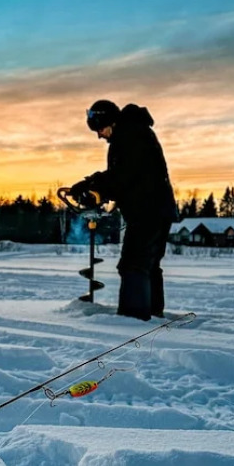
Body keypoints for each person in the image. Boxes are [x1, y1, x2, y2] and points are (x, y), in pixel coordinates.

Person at [69, 99, 177, 321]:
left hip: (148, 211)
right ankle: (152, 313)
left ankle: (133, 318)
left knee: (133, 264)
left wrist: (92, 184)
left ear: (109, 121)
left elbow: (123, 175)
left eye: (99, 129)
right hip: (155, 210)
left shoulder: (130, 135)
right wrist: (98, 191)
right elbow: (129, 179)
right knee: (148, 265)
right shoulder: (134, 133)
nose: (99, 135)